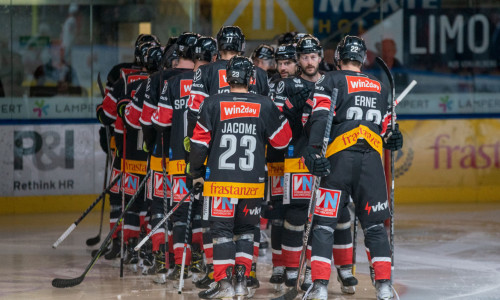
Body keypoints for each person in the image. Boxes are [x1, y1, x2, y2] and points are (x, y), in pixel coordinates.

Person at [303, 35, 403, 300]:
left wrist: (313, 151)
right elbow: (389, 129)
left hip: (337, 162)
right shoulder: (379, 85)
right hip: (371, 164)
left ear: (339, 58)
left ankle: (320, 286)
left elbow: (320, 116)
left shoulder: (331, 80)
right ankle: (383, 285)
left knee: (324, 225)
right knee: (374, 226)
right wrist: (395, 136)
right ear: (361, 59)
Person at [188, 56, 292, 299]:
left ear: (226, 78)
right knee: (246, 230)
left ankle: (223, 283)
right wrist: (283, 113)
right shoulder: (265, 104)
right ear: (251, 79)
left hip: (220, 183)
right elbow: (282, 141)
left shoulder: (212, 103)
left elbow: (198, 144)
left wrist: (195, 171)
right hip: (252, 183)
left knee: (222, 231)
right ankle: (242, 282)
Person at [187, 25, 269, 291]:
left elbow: (193, 115)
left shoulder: (205, 72)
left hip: (217, 165)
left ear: (217, 45)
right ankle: (247, 275)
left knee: (218, 226)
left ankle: (217, 275)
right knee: (247, 226)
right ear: (242, 45)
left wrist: (196, 166)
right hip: (252, 168)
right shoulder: (259, 74)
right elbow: (269, 124)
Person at [125, 32, 199, 282]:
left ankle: (160, 256)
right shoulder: (209, 78)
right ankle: (195, 257)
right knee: (194, 210)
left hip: (162, 157)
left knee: (160, 207)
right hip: (200, 161)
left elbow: (142, 120)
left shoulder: (156, 80)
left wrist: (149, 143)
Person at [95, 40, 159, 267]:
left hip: (128, 156)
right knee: (153, 204)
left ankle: (125, 243)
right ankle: (149, 244)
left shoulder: (124, 81)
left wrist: (103, 110)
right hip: (155, 158)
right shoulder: (164, 82)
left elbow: (105, 115)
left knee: (124, 201)